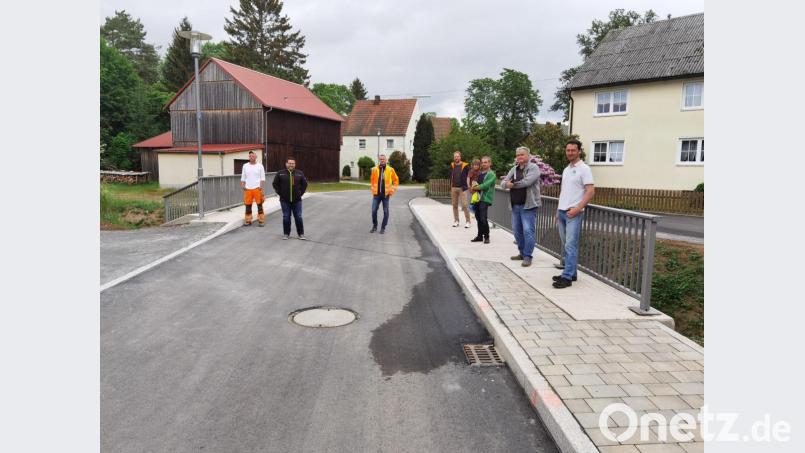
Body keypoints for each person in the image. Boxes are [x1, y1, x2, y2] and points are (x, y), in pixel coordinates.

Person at [553, 140, 595, 288]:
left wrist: (578, 208)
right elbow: (564, 192)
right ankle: (572, 273)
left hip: (573, 213)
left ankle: (567, 277)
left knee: (571, 245)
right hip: (562, 212)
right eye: (568, 150)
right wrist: (558, 210)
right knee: (566, 245)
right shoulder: (566, 169)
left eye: (573, 150)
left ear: (579, 151)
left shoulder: (584, 169)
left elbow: (590, 191)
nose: (570, 152)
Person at [500, 146, 541, 267]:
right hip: (515, 205)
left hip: (528, 206)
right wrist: (507, 184)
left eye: (522, 154)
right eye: (518, 155)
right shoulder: (514, 169)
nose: (519, 157)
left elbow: (527, 182)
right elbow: (503, 183)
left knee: (528, 231)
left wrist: (511, 185)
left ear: (528, 156)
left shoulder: (534, 168)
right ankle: (522, 253)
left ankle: (528, 256)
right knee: (517, 232)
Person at [272, 156, 309, 240]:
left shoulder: (300, 173)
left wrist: (300, 194)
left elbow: (305, 184)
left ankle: (301, 234)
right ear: (286, 164)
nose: (291, 165)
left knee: (298, 216)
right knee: (286, 217)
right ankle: (286, 234)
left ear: (295, 164)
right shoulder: (280, 173)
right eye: (289, 163)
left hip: (297, 200)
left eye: (293, 163)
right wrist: (280, 193)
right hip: (284, 200)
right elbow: (275, 184)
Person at [369, 154, 399, 234]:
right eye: (380, 159)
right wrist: (373, 189)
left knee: (386, 211)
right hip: (376, 195)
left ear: (386, 160)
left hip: (386, 195)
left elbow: (396, 181)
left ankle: (383, 227)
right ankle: (375, 226)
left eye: (383, 159)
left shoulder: (390, 169)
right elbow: (372, 181)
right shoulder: (374, 169)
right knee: (373, 211)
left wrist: (391, 190)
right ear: (379, 160)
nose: (382, 160)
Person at [470, 156, 496, 244]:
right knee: (478, 217)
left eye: (486, 162)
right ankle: (479, 236)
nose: (484, 164)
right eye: (483, 162)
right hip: (478, 198)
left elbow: (485, 185)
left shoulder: (491, 174)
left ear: (490, 163)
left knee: (483, 218)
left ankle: (487, 236)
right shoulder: (480, 173)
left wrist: (476, 187)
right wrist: (473, 186)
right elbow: (477, 183)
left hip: (485, 198)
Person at [240, 150, 266, 227]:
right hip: (248, 189)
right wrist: (243, 185)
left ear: (256, 157)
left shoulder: (260, 166)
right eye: (250, 156)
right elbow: (243, 177)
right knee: (248, 205)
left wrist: (260, 187)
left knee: (259, 205)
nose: (251, 157)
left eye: (253, 156)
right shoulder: (245, 166)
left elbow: (262, 178)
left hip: (257, 188)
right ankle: (248, 220)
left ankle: (261, 220)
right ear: (249, 157)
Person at [449, 150, 471, 228]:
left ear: (460, 157)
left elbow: (469, 176)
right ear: (454, 158)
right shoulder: (452, 165)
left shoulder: (465, 165)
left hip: (463, 188)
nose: (456, 158)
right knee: (454, 205)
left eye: (457, 156)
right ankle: (456, 220)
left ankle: (468, 221)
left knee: (465, 205)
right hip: (454, 187)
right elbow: (451, 176)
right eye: (455, 156)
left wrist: (469, 185)